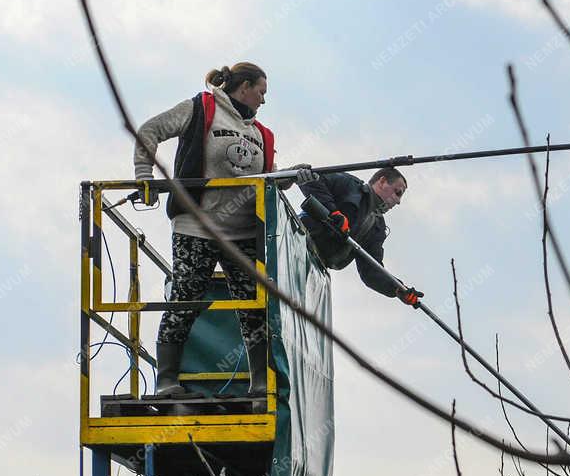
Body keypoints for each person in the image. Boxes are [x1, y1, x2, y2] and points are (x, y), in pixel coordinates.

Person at [132, 61, 300, 400]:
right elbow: (149, 131)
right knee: (186, 299)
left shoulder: (262, 134)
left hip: (241, 234)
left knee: (254, 307)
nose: (264, 101)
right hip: (197, 225)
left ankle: (258, 383)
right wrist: (143, 176)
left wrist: (293, 176)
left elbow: (270, 179)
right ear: (244, 88)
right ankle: (167, 382)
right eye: (261, 92)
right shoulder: (201, 107)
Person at [296, 167, 422, 306]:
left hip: (313, 268)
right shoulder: (349, 185)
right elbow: (311, 180)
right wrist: (333, 212)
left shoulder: (376, 229)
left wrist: (397, 288)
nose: (398, 201)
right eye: (397, 193)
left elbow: (371, 271)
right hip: (295, 240)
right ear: (382, 181)